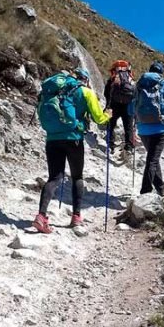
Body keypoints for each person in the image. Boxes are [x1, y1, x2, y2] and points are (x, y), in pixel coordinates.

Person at [33, 67, 111, 234]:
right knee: (77, 176)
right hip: (74, 139)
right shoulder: (85, 92)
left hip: (52, 138)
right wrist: (109, 115)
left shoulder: (55, 91)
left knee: (54, 177)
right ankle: (76, 217)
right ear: (86, 79)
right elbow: (99, 119)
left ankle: (41, 216)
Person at [129, 61, 164, 196]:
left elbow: (131, 109)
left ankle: (160, 188)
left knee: (153, 158)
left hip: (142, 129)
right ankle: (145, 192)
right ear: (161, 72)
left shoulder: (139, 85)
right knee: (152, 160)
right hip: (159, 128)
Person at [103, 60, 136, 154]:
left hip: (114, 105)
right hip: (128, 106)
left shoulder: (113, 79)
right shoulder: (130, 79)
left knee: (111, 125)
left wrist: (107, 106)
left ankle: (110, 145)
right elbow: (134, 94)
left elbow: (106, 93)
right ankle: (129, 147)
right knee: (128, 127)